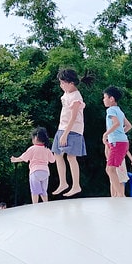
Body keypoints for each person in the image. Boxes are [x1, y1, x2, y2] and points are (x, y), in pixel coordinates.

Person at [50, 69, 88, 197]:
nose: (61, 85)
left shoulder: (76, 97)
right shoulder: (66, 94)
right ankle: (63, 183)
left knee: (71, 157)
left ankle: (76, 185)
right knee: (57, 153)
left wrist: (66, 134)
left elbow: (73, 117)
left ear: (70, 83)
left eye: (62, 82)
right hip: (63, 127)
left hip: (72, 130)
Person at [101, 86, 132, 198]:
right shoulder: (119, 111)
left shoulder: (110, 110)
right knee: (111, 169)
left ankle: (120, 195)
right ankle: (119, 194)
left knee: (110, 169)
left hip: (117, 143)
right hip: (121, 142)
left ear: (111, 99)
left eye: (105, 97)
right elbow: (128, 126)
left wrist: (106, 134)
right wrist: (120, 133)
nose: (103, 100)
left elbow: (116, 123)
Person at [11, 127, 55, 204]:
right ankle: (46, 204)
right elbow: (52, 160)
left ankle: (35, 205)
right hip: (45, 172)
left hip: (35, 171)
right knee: (44, 191)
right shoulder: (47, 149)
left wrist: (15, 159)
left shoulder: (32, 148)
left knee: (35, 191)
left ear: (35, 138)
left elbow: (24, 157)